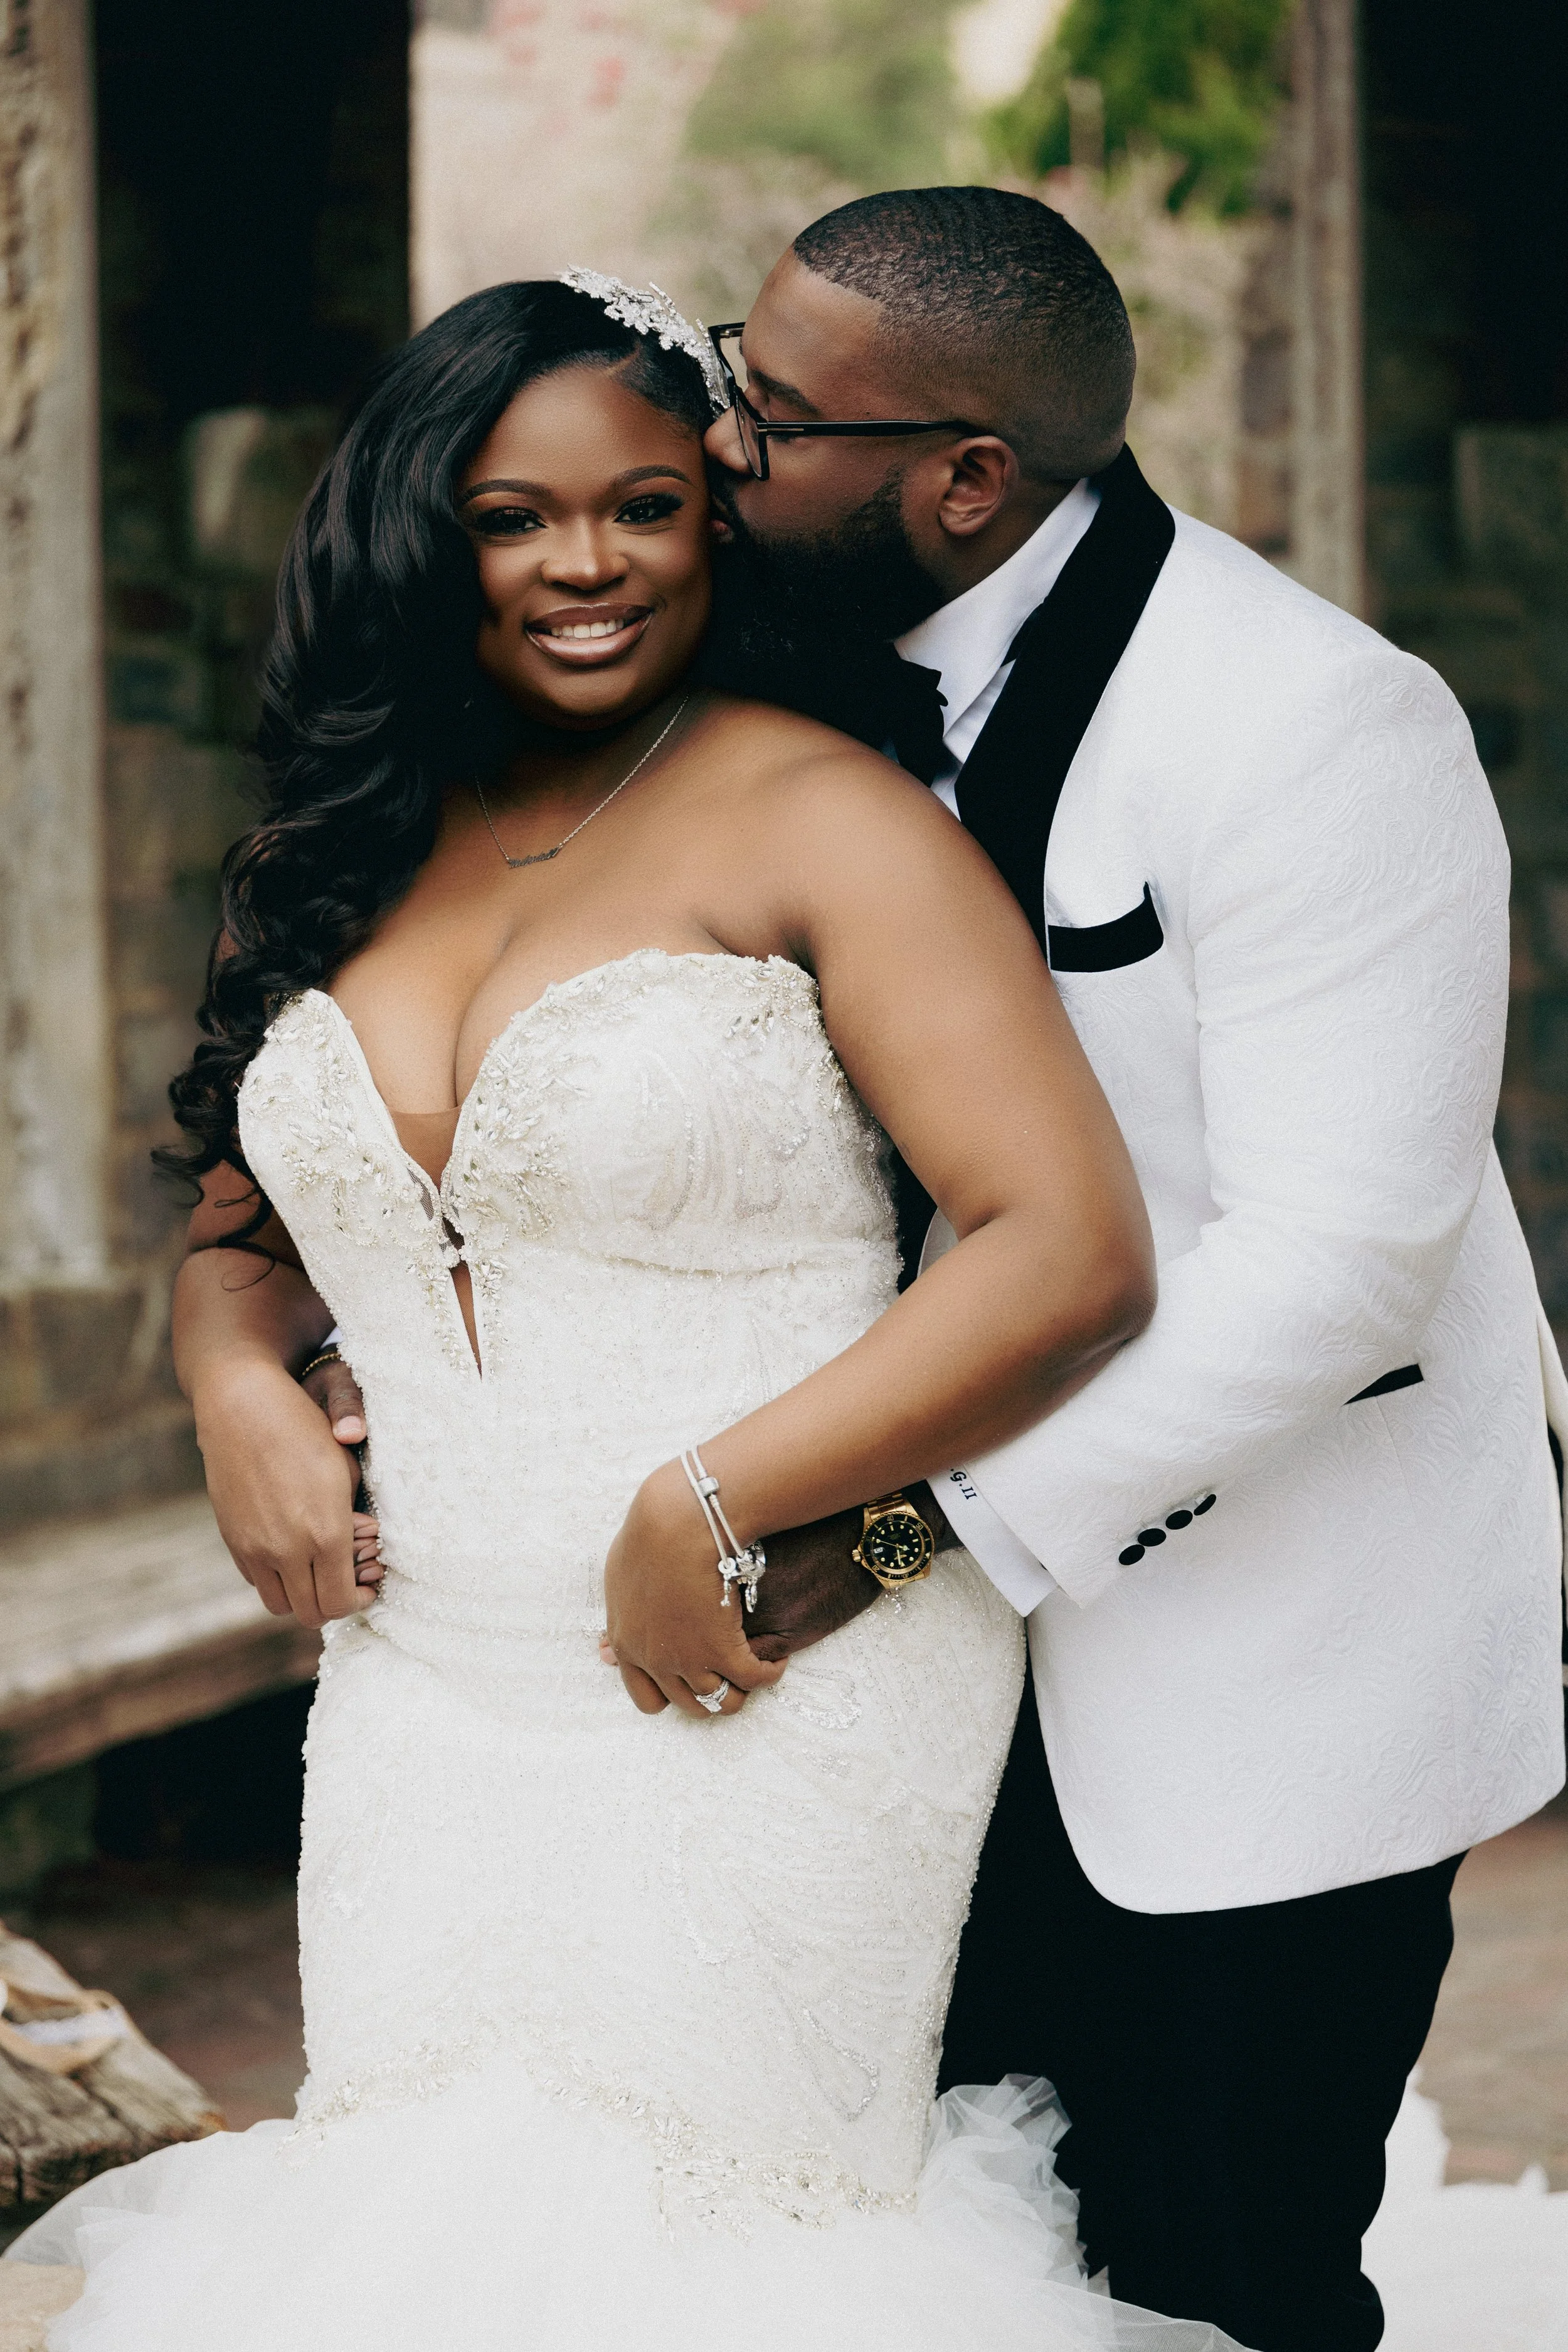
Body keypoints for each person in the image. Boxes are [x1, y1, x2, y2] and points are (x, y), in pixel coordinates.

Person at [254, 190, 1565, 2350]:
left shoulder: (1313, 722)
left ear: (962, 480)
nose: (720, 441)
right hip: (831, 1698)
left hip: (1239, 1623)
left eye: (764, 417)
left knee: (1204, 2270)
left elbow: (1344, 1256)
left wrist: (890, 1519)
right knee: (896, 2255)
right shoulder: (746, 666)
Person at [4, 274, 1238, 2351]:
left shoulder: (821, 815)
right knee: (420, 2211)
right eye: (513, 515)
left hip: (766, 1647)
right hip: (421, 1676)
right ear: (421, 535)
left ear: (715, 522)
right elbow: (254, 1221)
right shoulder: (330, 850)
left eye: (645, 505)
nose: (583, 562)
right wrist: (233, 1377)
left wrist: (713, 1492)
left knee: (704, 2248)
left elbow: (1068, 1243)